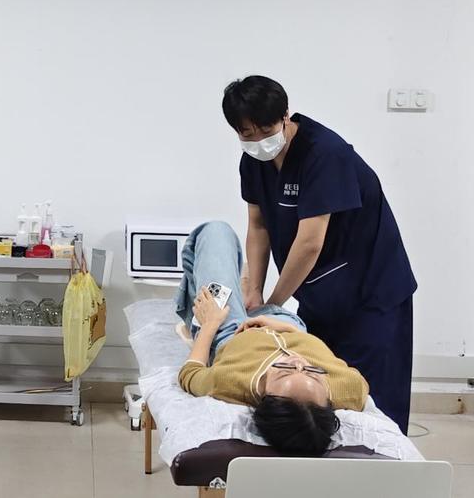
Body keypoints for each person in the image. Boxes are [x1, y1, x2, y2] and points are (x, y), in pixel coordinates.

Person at [220, 75, 417, 434]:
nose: (259, 141)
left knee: (370, 398)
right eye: (248, 134)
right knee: (320, 392)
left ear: (285, 117)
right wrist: (253, 291)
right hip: (319, 292)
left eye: (266, 130)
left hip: (372, 293)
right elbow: (258, 226)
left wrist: (272, 306)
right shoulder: (254, 161)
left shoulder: (325, 154)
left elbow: (310, 242)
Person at [176, 221, 368, 456]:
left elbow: (190, 374)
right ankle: (249, 294)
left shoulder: (228, 382)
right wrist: (288, 330)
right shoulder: (350, 389)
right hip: (287, 324)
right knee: (251, 299)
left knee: (215, 232)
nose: (297, 361)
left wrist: (209, 325)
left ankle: (236, 299)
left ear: (263, 398)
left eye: (285, 372)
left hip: (230, 329)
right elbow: (359, 386)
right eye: (312, 373)